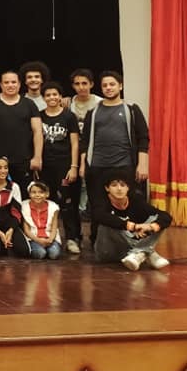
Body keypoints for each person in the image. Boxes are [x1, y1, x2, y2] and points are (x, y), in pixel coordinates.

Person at [80, 70, 150, 243]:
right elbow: (85, 141)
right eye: (105, 85)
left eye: (112, 84)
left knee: (129, 205)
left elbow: (143, 137)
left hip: (124, 165)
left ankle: (132, 240)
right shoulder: (93, 112)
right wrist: (82, 165)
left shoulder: (131, 109)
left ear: (120, 86)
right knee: (98, 206)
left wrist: (142, 164)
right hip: (97, 167)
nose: (108, 88)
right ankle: (98, 242)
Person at [0, 70, 43, 194]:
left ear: (19, 84)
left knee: (23, 194)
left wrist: (37, 157)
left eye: (13, 82)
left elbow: (37, 131)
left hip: (23, 159)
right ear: (1, 85)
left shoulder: (29, 104)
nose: (10, 85)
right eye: (6, 82)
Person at [92, 174, 171, 271]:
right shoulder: (101, 201)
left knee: (156, 219)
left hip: (128, 250)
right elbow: (99, 216)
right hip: (108, 252)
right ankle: (147, 253)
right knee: (108, 222)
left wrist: (150, 226)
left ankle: (139, 253)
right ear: (107, 188)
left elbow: (165, 216)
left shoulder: (135, 200)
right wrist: (131, 226)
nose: (119, 189)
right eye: (114, 185)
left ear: (128, 188)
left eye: (122, 185)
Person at [40, 82, 82, 253]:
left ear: (60, 96)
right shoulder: (39, 116)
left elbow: (75, 143)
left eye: (54, 94)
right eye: (48, 95)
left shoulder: (69, 116)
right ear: (43, 98)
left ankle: (72, 238)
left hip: (65, 166)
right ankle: (51, 236)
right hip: (45, 167)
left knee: (67, 202)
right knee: (47, 201)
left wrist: (74, 166)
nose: (51, 98)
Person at [68, 68, 101, 218]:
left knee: (92, 180)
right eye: (77, 84)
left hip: (95, 147)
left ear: (91, 84)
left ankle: (92, 210)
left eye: (84, 83)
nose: (81, 87)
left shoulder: (99, 102)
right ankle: (80, 209)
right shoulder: (69, 103)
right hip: (74, 147)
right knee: (78, 181)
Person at [20, 181, 62, 260]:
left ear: (47, 194)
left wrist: (50, 240)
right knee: (40, 254)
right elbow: (26, 230)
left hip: (49, 237)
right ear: (29, 194)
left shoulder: (53, 207)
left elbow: (54, 227)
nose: (37, 195)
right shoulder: (24, 206)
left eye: (41, 192)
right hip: (33, 238)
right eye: (34, 192)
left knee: (54, 254)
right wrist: (39, 240)